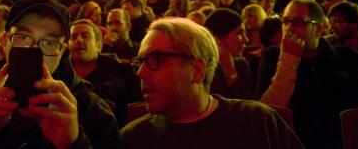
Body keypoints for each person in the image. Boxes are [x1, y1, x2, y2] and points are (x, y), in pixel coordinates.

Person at [0, 0, 119, 149]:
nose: (35, 50)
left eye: (49, 42)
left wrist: (73, 144)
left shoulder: (91, 111)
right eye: (24, 37)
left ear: (62, 51)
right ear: (5, 42)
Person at [121, 18, 304, 149]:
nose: (140, 72)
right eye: (141, 61)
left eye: (156, 59)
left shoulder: (256, 121)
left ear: (197, 70)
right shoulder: (133, 139)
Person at [257, 0, 358, 149]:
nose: (289, 28)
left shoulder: (347, 57)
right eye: (286, 21)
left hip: (337, 141)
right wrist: (289, 59)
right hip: (291, 141)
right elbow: (267, 111)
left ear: (319, 29)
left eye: (298, 22)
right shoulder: (272, 55)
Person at [69, 19, 141, 126]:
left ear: (99, 46)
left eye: (85, 36)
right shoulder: (58, 73)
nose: (78, 40)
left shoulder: (119, 71)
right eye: (73, 37)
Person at [204, 8, 255, 99]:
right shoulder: (201, 66)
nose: (246, 39)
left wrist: (229, 69)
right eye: (239, 33)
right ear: (217, 39)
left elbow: (245, 105)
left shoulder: (240, 65)